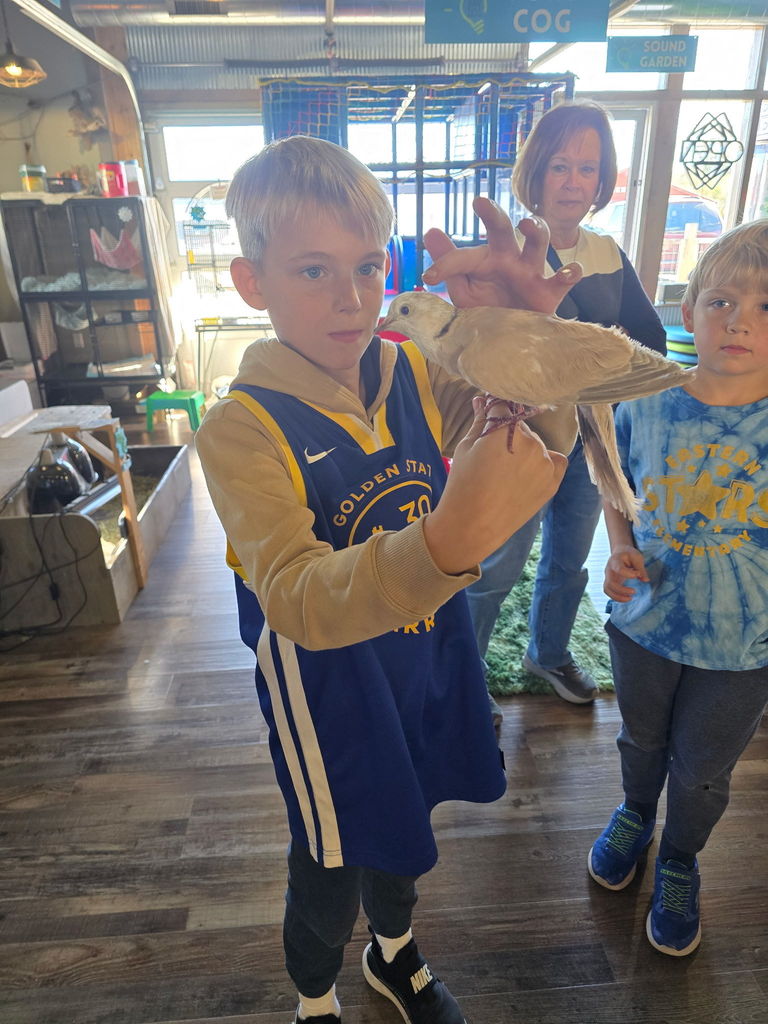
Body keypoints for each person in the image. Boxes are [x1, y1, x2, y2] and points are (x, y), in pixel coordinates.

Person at [195, 135, 570, 1024]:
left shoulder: (407, 365)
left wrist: (527, 342)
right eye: (315, 271)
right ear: (254, 283)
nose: (353, 298)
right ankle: (314, 996)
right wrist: (447, 543)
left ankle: (392, 955)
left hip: (425, 651)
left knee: (409, 826)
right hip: (325, 690)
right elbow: (291, 596)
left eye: (368, 266)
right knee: (329, 859)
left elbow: (538, 429)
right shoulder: (239, 429)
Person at [448, 100, 667, 715]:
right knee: (496, 564)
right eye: (561, 166)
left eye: (587, 169)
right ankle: (465, 678)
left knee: (569, 559)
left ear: (602, 181)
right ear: (536, 174)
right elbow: (476, 348)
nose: (574, 181)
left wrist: (598, 369)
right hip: (520, 435)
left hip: (591, 440)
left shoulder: (605, 252)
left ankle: (547, 652)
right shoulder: (506, 252)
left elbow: (647, 339)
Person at [587, 219, 768, 956]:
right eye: (722, 301)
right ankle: (634, 811)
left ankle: (681, 858)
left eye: (766, 308)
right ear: (686, 312)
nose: (741, 323)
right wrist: (621, 546)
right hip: (644, 622)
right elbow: (614, 483)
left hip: (745, 645)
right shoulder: (648, 402)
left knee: (701, 774)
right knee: (641, 739)